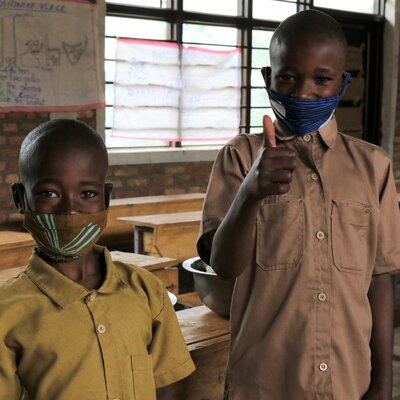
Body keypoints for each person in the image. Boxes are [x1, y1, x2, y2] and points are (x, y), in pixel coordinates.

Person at [197, 9, 400, 400]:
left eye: (321, 80)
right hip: (263, 384)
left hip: (347, 383)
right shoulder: (240, 157)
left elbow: (379, 278)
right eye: (287, 76)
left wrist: (382, 381)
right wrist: (251, 193)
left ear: (342, 82)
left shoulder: (373, 166)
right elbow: (223, 265)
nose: (303, 93)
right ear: (266, 79)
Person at [0, 118, 195, 399]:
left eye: (87, 194)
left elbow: (165, 384)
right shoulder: (8, 311)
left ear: (105, 198)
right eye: (49, 193)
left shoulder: (145, 290)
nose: (70, 210)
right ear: (20, 198)